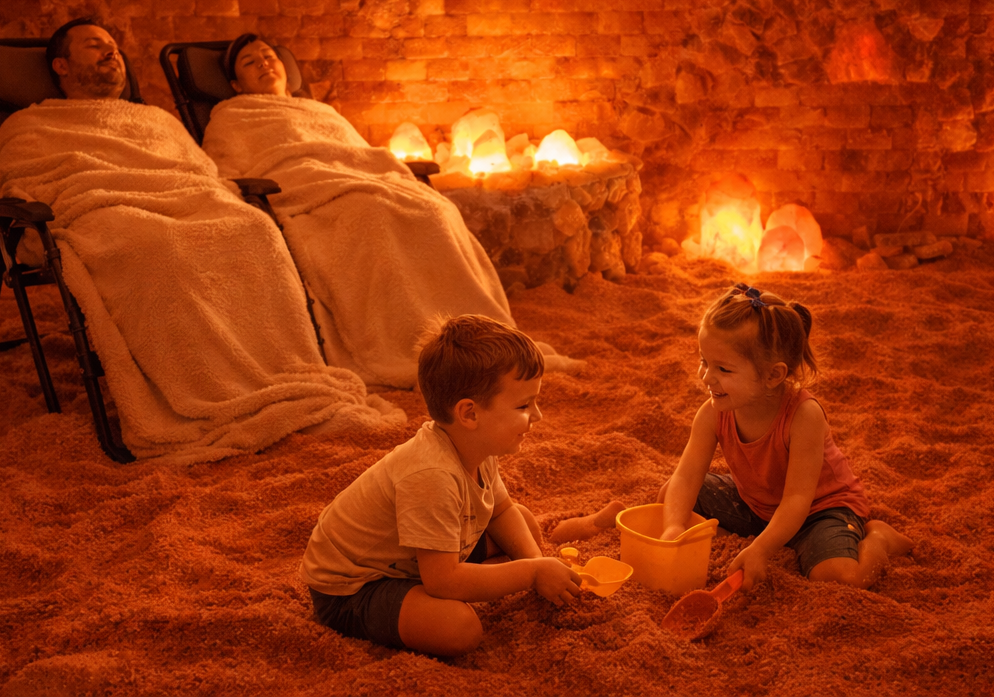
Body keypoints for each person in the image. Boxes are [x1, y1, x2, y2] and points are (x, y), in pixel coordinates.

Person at [0, 18, 403, 463]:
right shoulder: (30, 124)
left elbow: (202, 174)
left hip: (184, 200)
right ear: (62, 65)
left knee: (255, 229)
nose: (113, 53)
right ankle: (204, 392)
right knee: (158, 246)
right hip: (103, 209)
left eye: (114, 46)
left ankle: (281, 374)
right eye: (95, 46)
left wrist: (195, 195)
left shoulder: (157, 119)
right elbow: (21, 183)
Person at [201, 34, 582, 390]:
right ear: (235, 85)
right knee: (373, 215)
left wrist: (370, 174)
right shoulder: (232, 115)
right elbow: (228, 168)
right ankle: (411, 342)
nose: (264, 64)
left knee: (435, 209)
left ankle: (474, 337)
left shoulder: (321, 112)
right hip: (306, 190)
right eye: (250, 63)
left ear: (285, 68)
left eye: (269, 56)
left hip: (361, 179)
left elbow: (353, 151)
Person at [552, 283, 913, 590]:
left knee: (837, 576)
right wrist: (675, 525)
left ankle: (878, 538)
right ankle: (749, 537)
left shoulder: (804, 415)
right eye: (704, 362)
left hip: (819, 510)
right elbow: (686, 475)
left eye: (723, 369)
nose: (707, 377)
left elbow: (797, 502)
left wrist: (762, 550)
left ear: (773, 376)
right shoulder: (714, 411)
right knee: (671, 498)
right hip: (756, 503)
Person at [299, 315, 581, 656]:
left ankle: (481, 579)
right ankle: (454, 590)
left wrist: (536, 565)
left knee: (522, 522)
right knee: (459, 629)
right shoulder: (430, 475)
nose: (537, 416)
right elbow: (442, 581)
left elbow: (503, 510)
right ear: (470, 414)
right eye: (523, 405)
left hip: (417, 557)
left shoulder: (475, 446)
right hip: (354, 587)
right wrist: (531, 574)